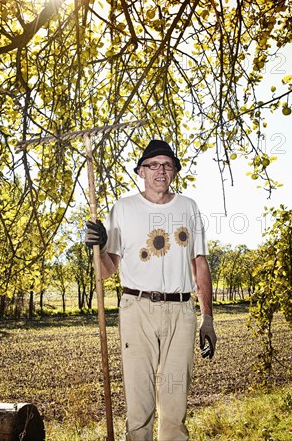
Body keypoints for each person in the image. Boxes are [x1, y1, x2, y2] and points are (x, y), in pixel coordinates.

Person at [86, 139, 216, 441]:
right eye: (153, 165)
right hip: (137, 308)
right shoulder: (123, 208)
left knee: (175, 401)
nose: (161, 170)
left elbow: (200, 263)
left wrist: (206, 317)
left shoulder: (188, 207)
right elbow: (107, 270)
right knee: (139, 401)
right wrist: (99, 247)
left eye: (167, 165)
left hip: (181, 311)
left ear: (174, 172)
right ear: (141, 172)